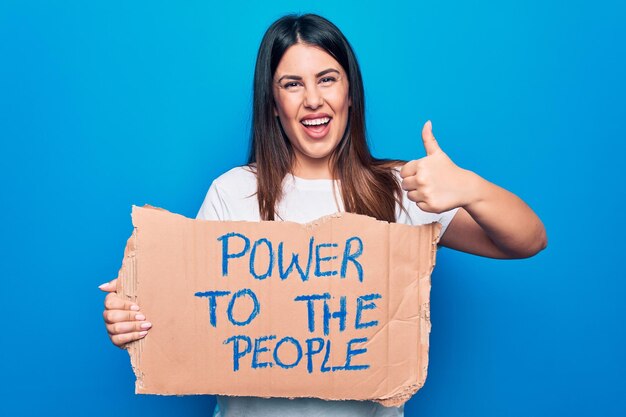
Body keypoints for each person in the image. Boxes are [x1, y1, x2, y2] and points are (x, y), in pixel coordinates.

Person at [99, 13, 546, 417]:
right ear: (273, 103)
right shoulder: (233, 192)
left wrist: (470, 187)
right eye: (292, 84)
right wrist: (134, 313)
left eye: (327, 79)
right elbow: (190, 315)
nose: (312, 99)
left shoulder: (398, 189)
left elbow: (527, 240)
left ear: (350, 92)